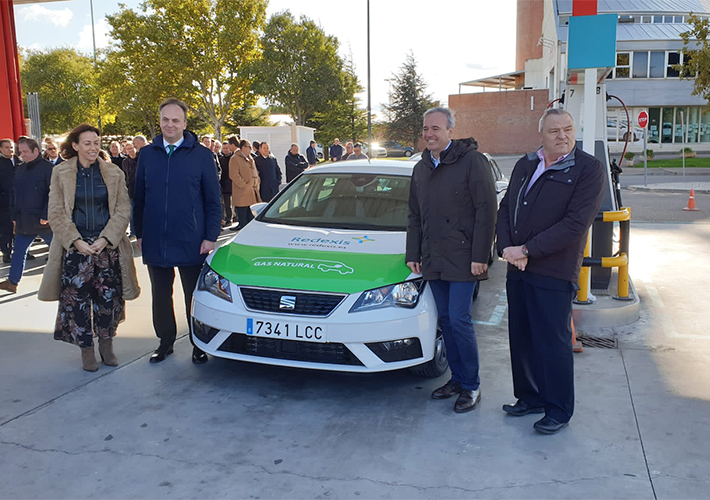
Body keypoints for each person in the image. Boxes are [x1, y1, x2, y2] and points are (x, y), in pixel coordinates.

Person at [496, 108, 605, 435]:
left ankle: (557, 408)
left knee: (552, 342)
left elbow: (574, 225)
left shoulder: (588, 169)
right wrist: (506, 249)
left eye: (568, 129)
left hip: (554, 271)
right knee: (522, 336)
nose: (563, 136)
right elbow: (505, 210)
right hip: (517, 267)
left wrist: (527, 250)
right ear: (541, 134)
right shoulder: (526, 164)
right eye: (555, 130)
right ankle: (530, 397)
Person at [405, 107, 497, 413]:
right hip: (433, 258)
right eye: (425, 129)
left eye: (436, 128)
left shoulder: (472, 162)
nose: (429, 134)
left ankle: (471, 385)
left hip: (464, 258)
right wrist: (413, 253)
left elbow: (487, 211)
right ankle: (457, 379)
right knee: (445, 321)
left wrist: (480, 256)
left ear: (450, 132)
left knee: (459, 319)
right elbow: (414, 215)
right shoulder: (420, 168)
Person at [37, 123, 140, 372]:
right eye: (87, 143)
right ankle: (86, 350)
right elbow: (57, 212)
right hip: (76, 249)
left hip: (107, 248)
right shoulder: (61, 173)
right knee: (78, 303)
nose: (93, 147)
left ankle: (106, 344)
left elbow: (123, 209)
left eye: (96, 142)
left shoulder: (113, 172)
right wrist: (75, 241)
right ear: (75, 146)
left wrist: (106, 239)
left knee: (108, 300)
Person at [133, 98, 222, 365]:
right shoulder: (148, 155)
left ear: (185, 123)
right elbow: (139, 197)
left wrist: (210, 236)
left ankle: (198, 344)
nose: (169, 125)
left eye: (175, 120)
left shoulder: (202, 155)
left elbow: (213, 200)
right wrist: (138, 232)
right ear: (159, 121)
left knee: (193, 297)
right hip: (155, 239)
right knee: (161, 295)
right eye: (165, 120)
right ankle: (165, 342)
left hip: (192, 239)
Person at [0, 137, 54, 294]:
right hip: (24, 219)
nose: (21, 155)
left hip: (44, 221)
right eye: (20, 151)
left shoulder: (48, 168)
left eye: (24, 152)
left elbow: (54, 194)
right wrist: (14, 215)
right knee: (18, 251)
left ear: (35, 151)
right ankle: (12, 282)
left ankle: (68, 280)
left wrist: (47, 214)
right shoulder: (21, 169)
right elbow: (14, 193)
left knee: (58, 251)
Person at [229, 140, 261, 231]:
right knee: (243, 217)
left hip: (252, 191)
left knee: (251, 217)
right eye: (248, 147)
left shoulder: (251, 158)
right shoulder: (235, 158)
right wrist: (244, 185)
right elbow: (233, 174)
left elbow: (255, 172)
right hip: (242, 192)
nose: (250, 149)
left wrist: (257, 181)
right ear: (242, 147)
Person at [0, 139, 15, 263]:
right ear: (0, 149)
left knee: (21, 227)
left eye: (11, 147)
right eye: (6, 147)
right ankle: (6, 252)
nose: (10, 150)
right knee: (6, 228)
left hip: (20, 201)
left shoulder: (20, 161)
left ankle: (24, 250)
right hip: (4, 202)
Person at [120, 141, 139, 237]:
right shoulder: (125, 162)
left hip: (141, 189)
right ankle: (133, 232)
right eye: (128, 149)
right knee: (132, 213)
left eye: (131, 148)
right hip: (131, 190)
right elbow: (125, 176)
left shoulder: (140, 159)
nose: (130, 151)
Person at [219, 141, 234, 227]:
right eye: (223, 148)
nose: (225, 150)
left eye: (226, 148)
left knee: (229, 204)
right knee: (223, 203)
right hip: (222, 184)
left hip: (230, 183)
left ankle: (229, 218)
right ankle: (223, 219)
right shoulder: (221, 159)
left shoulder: (232, 158)